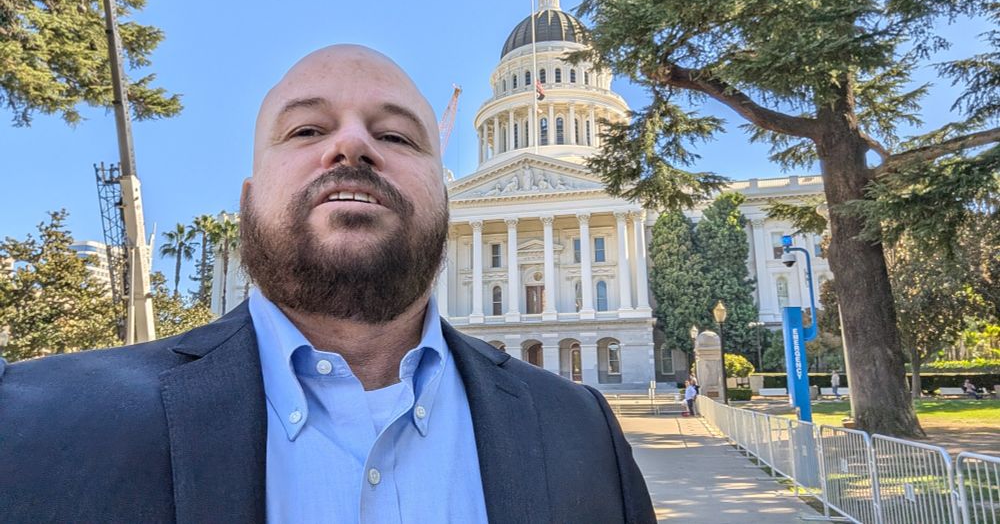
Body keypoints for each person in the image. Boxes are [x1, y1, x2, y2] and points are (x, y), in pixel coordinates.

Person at [0, 45, 655, 523]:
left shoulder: (584, 435)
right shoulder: (33, 421)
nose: (351, 146)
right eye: (308, 128)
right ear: (247, 200)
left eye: (395, 133)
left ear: (446, 200)